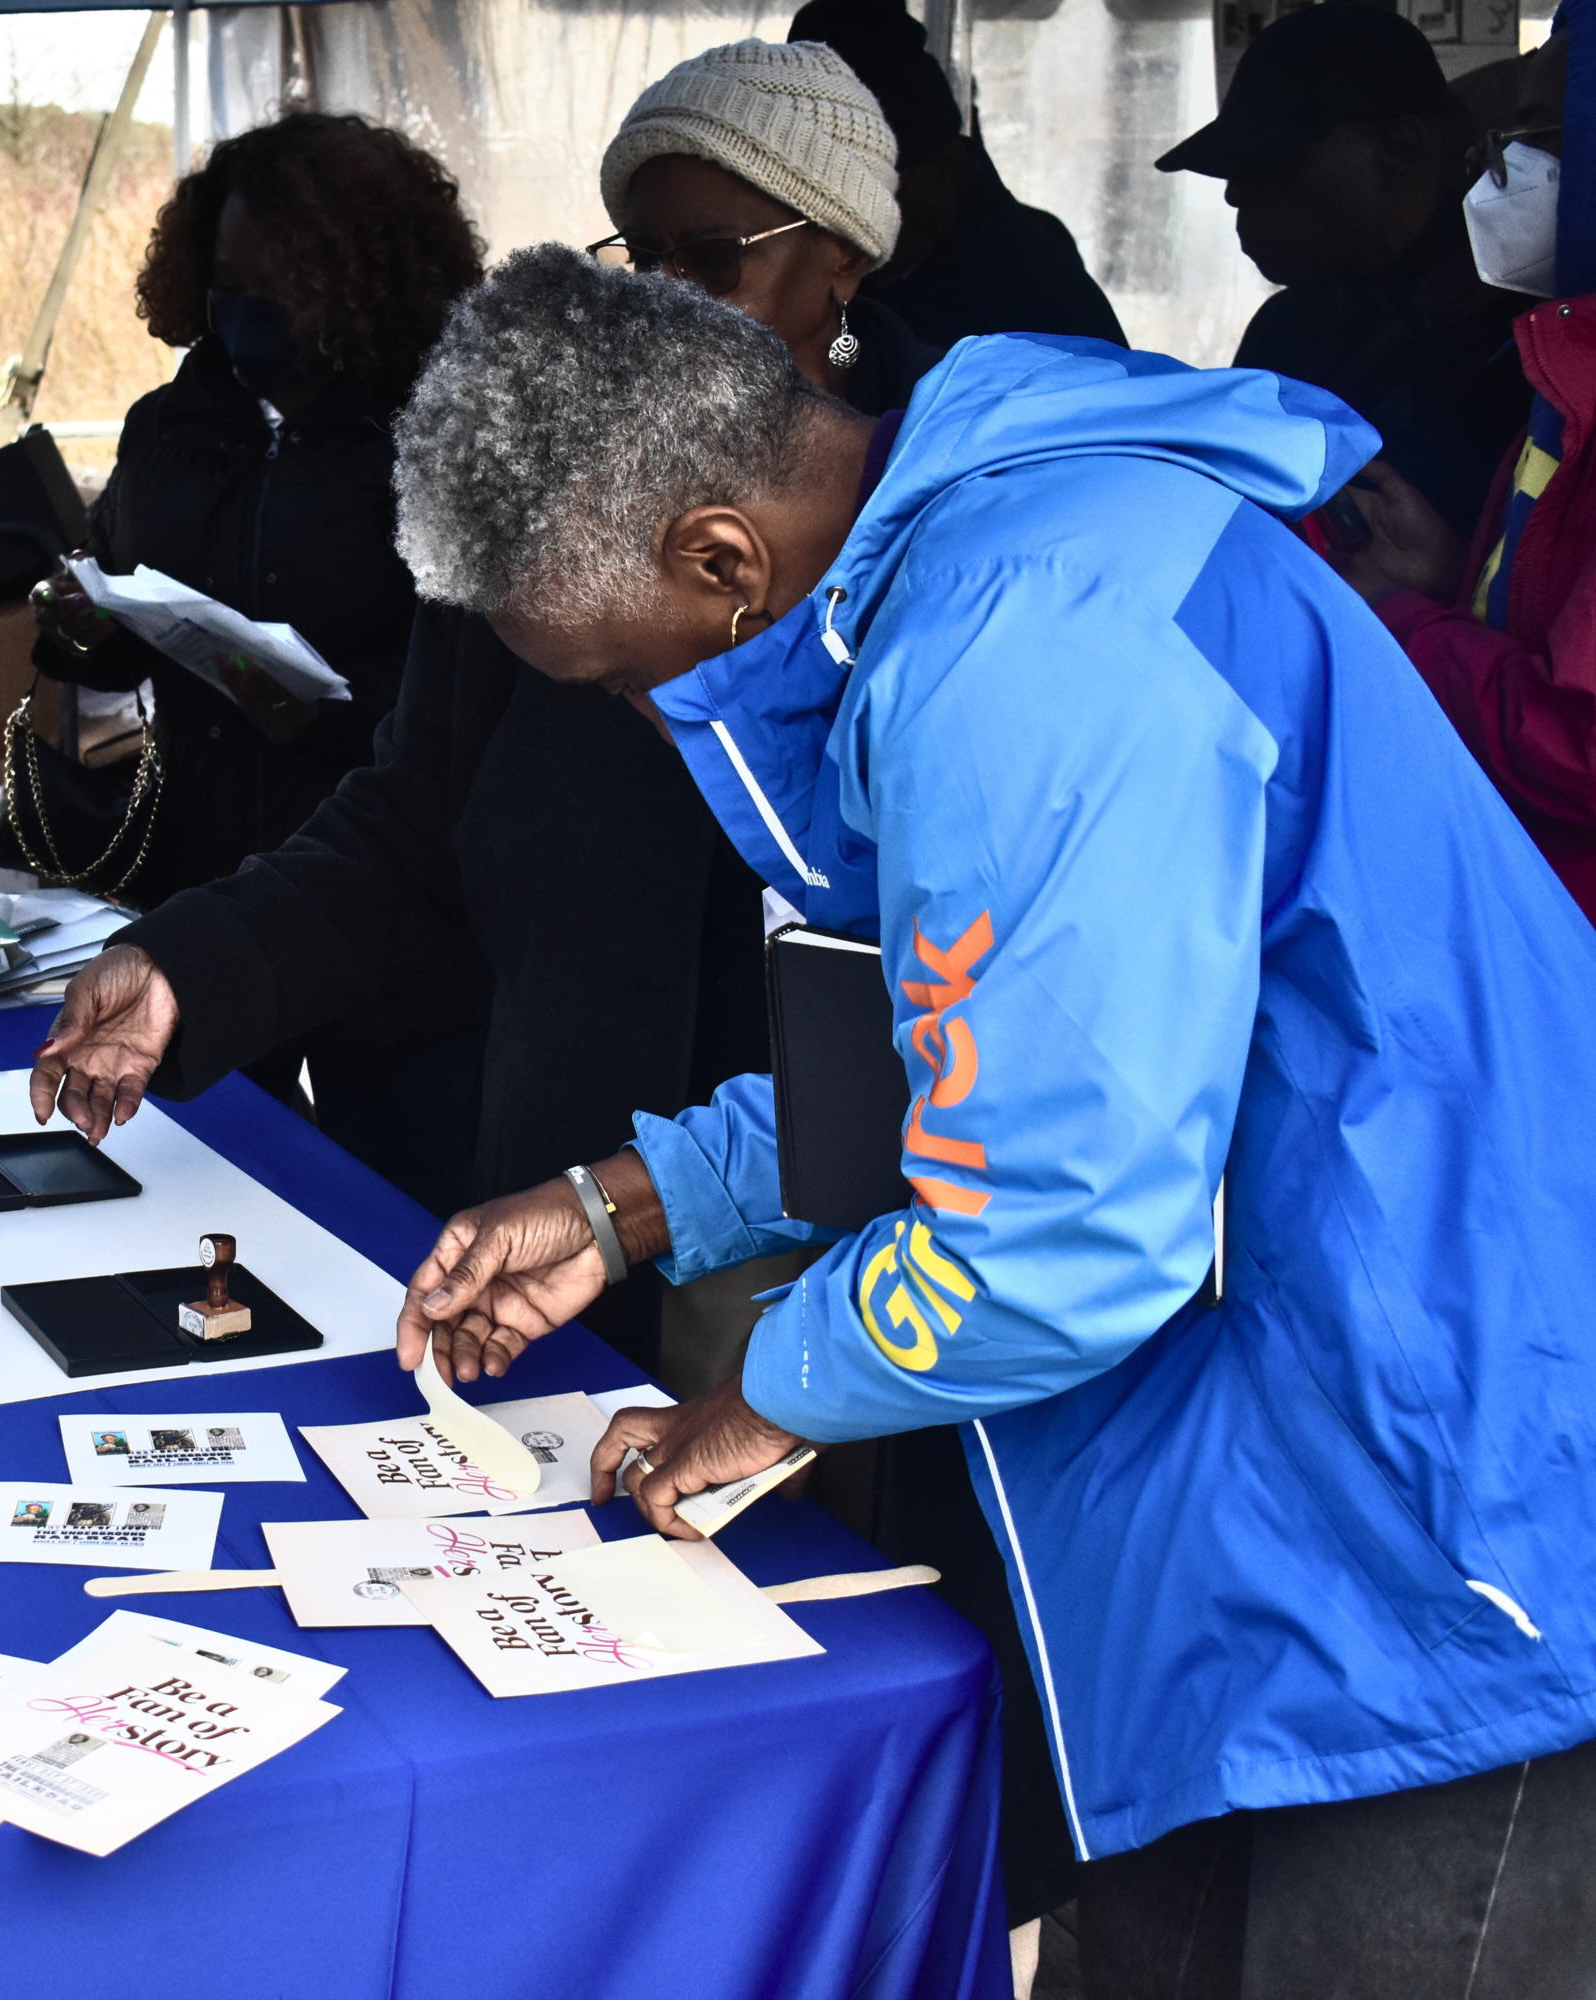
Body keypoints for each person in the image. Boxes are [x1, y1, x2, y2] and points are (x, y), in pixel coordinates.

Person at [390, 249, 1596, 1994]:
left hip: (1441, 1508)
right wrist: (628, 1201)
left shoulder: (1030, 638)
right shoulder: (959, 566)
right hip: (1278, 1493)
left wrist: (770, 1387)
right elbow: (964, 1047)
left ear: (721, 562)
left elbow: (1053, 1214)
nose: (631, 718)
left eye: (608, 677)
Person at [34, 38, 929, 1296]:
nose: (669, 294)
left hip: (854, 1235)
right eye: (642, 254)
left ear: (842, 256)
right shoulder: (545, 486)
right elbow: (414, 826)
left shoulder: (942, 550)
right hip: (563, 1176)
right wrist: (195, 963)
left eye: (712, 255)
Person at [24, 113, 484, 928]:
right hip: (195, 870)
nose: (247, 312)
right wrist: (81, 628)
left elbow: (478, 669)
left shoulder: (436, 434)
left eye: (280, 291)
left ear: (363, 290)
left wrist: (327, 720)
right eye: (229, 284)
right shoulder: (168, 427)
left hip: (384, 881)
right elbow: (114, 594)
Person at [1324, 24, 1596, 927]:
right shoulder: (1563, 364)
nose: (1504, 169)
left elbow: (1579, 743)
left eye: (1540, 133)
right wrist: (1449, 577)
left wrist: (1404, 623)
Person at [1162, 0, 1534, 537]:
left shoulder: (1527, 347)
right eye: (1234, 167)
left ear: (1399, 148)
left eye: (1273, 160)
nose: (1234, 193)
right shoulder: (1284, 330)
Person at [787, 0, 1125, 347]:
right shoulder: (819, 264)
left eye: (875, 189)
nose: (852, 219)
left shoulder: (1034, 288)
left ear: (946, 167)